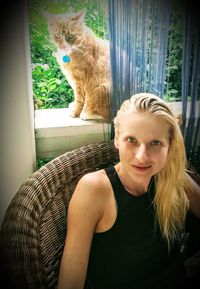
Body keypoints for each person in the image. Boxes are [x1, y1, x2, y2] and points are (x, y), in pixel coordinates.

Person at [57, 93, 200, 289]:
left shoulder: (172, 176)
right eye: (131, 140)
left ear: (169, 145)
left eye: (155, 143)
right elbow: (70, 284)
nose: (142, 157)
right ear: (116, 139)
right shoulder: (95, 190)